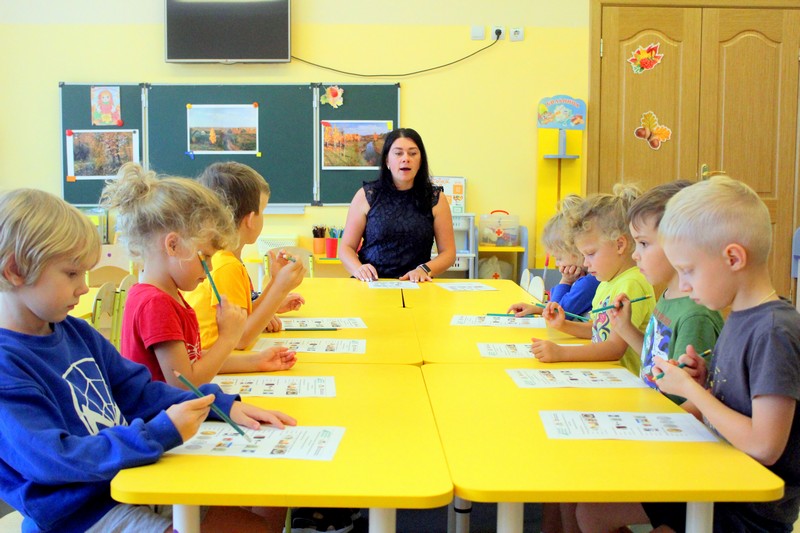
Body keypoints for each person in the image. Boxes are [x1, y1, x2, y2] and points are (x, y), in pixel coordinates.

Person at [0, 188, 295, 533]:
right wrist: (159, 432)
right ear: (15, 270)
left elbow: (139, 391)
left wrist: (220, 405)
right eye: (71, 274)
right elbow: (53, 460)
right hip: (80, 515)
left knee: (264, 513)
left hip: (127, 479)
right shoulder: (7, 365)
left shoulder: (75, 331)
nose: (83, 287)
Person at [629, 176, 800, 532]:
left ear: (733, 258)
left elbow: (764, 446)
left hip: (748, 510)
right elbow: (739, 400)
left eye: (688, 270)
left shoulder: (774, 331)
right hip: (717, 478)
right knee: (593, 509)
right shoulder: (740, 316)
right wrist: (704, 381)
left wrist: (692, 392)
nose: (683, 284)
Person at [574, 181, 724, 533]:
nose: (635, 255)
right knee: (583, 495)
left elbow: (696, 403)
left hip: (678, 449)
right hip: (656, 428)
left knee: (591, 511)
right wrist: (625, 328)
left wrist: (633, 429)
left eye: (643, 244)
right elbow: (657, 361)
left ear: (680, 246)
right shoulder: (669, 299)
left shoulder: (695, 314)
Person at [103, 163, 284, 388]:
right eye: (205, 256)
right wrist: (228, 338)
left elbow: (191, 359)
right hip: (167, 410)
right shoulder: (155, 304)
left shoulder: (168, 295)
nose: (210, 267)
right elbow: (184, 384)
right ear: (173, 245)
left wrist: (255, 361)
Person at [531, 184, 655, 374]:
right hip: (607, 374)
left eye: (590, 254)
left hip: (626, 380)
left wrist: (561, 353)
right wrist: (564, 325)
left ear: (619, 245)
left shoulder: (631, 284)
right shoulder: (607, 282)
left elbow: (614, 348)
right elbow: (599, 329)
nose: (585, 263)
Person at [185, 162, 305, 357]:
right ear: (250, 219)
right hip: (216, 361)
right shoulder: (225, 265)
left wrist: (275, 283)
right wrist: (280, 288)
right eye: (262, 211)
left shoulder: (224, 257)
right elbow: (241, 338)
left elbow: (243, 317)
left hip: (221, 358)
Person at [339, 128, 456, 282]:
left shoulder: (435, 198)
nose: (406, 159)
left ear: (421, 161)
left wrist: (425, 269)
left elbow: (448, 253)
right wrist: (358, 269)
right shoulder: (367, 195)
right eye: (398, 153)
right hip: (371, 284)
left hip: (416, 285)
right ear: (387, 160)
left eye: (412, 153)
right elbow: (346, 248)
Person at [508, 194, 599, 319]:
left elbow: (555, 314)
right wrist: (538, 310)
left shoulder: (589, 282)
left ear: (578, 250)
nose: (557, 264)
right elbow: (557, 309)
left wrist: (565, 281)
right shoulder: (586, 279)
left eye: (559, 258)